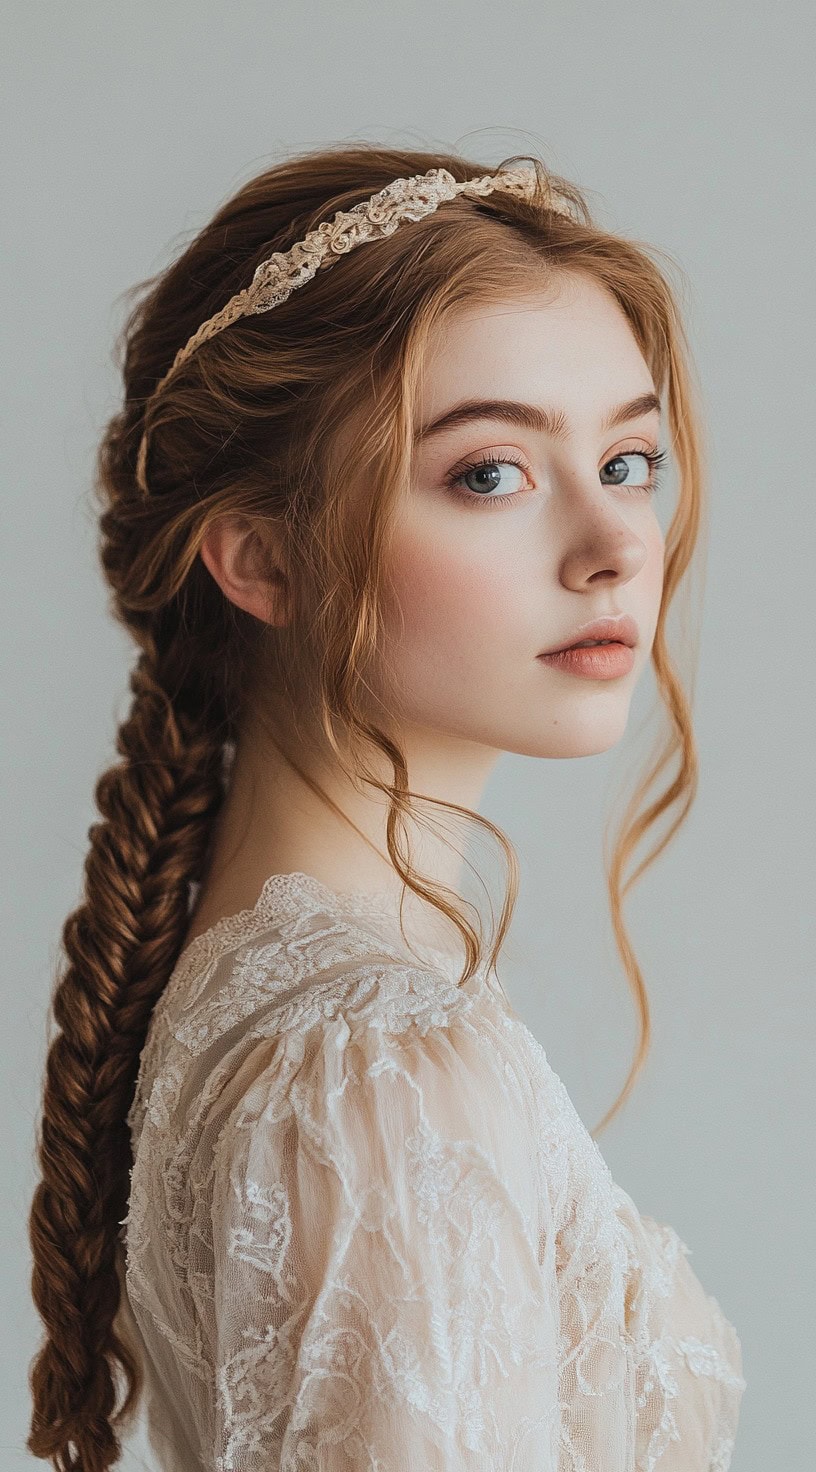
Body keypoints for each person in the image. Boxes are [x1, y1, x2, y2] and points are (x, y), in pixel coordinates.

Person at [26, 144, 746, 1471]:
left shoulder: (277, 1015)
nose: (615, 545)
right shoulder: (378, 1075)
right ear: (262, 558)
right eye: (490, 474)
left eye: (631, 458)